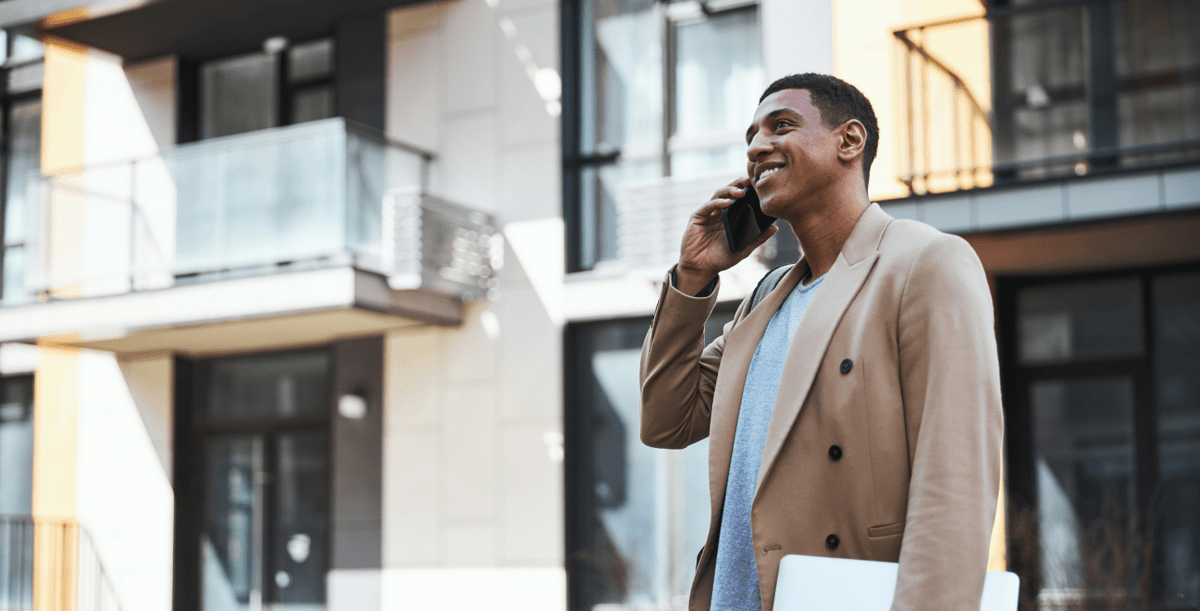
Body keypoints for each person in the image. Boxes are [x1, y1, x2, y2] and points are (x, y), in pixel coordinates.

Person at [639, 73, 1003, 611]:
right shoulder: (766, 298)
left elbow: (955, 482)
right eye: (751, 137)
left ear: (849, 141)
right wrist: (693, 277)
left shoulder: (924, 262)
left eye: (781, 126)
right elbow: (666, 421)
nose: (757, 148)